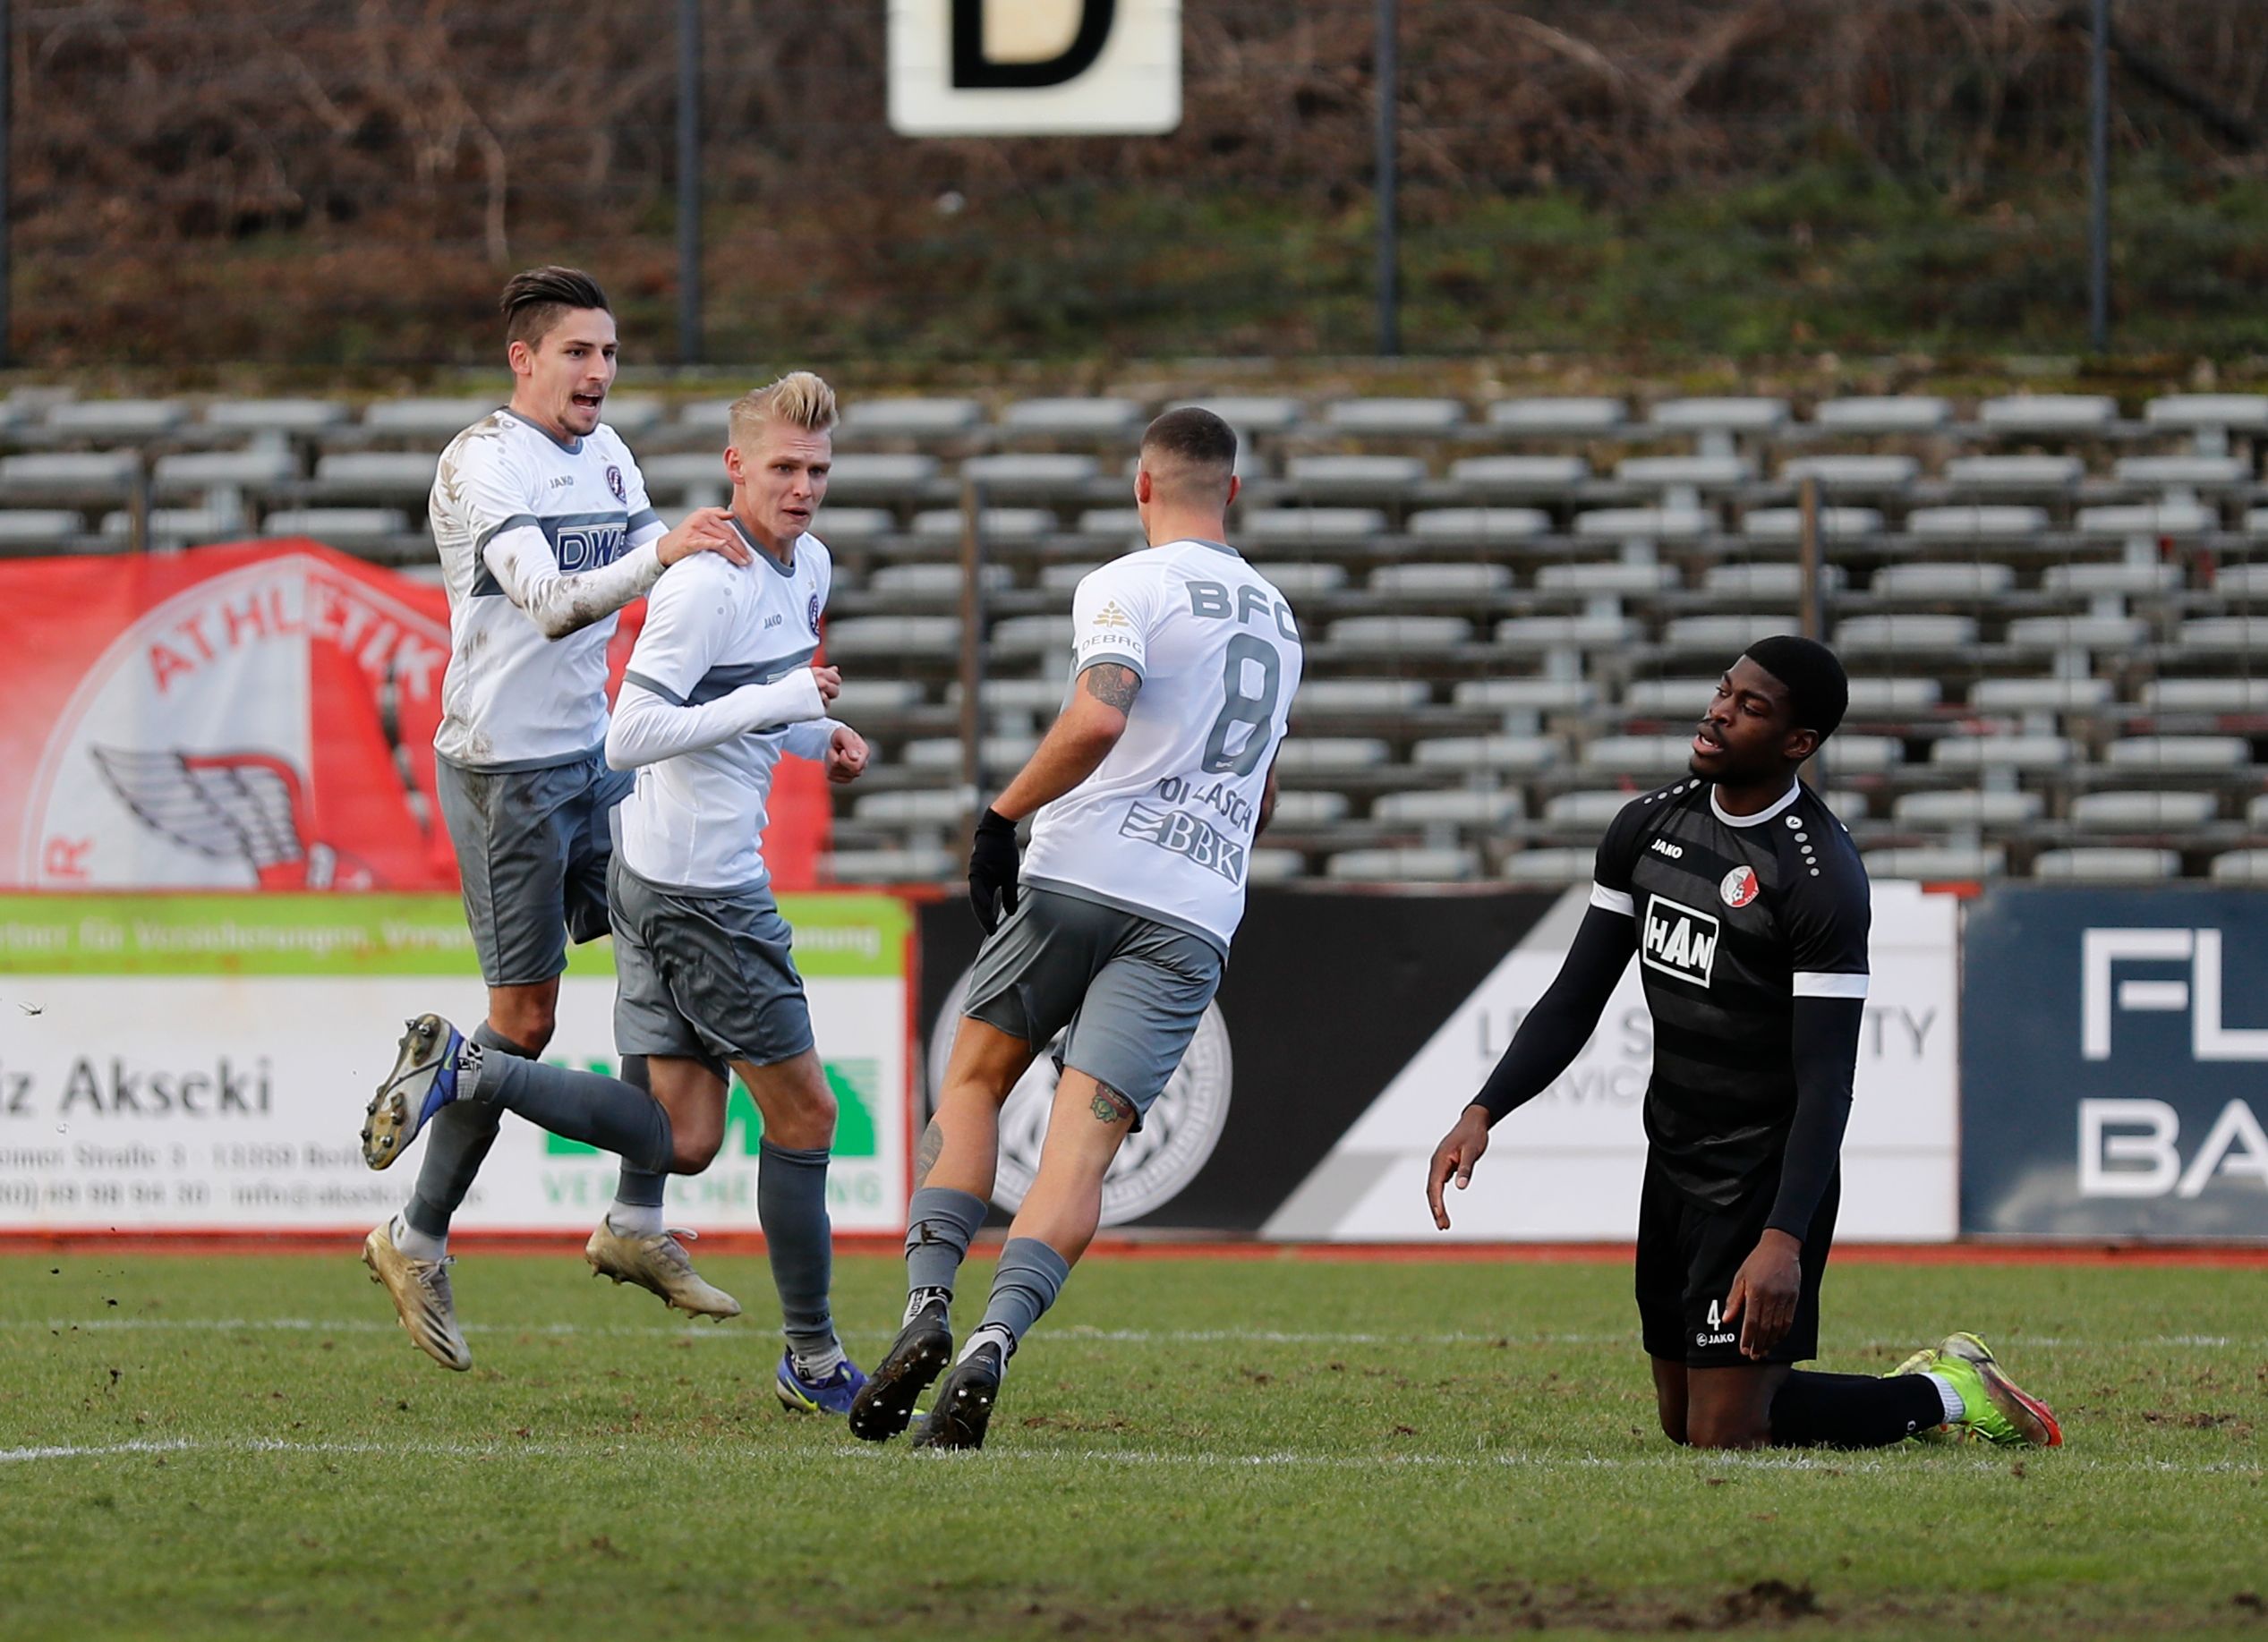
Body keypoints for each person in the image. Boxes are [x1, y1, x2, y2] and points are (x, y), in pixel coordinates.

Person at [1425, 638, 2062, 1451]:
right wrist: (1484, 1110)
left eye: (1751, 706)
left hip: (1760, 1172)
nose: (1720, 710)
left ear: (1800, 743)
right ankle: (1913, 1387)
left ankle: (1944, 1391)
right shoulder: (1648, 826)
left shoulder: (1819, 876)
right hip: (1674, 1151)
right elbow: (1576, 995)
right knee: (1681, 1419)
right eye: (1725, 691)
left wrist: (1783, 1237)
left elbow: (1827, 1079)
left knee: (1727, 1434)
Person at [848, 406, 1301, 1451]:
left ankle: (926, 1306)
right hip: (1192, 909)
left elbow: (1100, 712)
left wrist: (999, 815)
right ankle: (993, 1343)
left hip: (1081, 874)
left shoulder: (1124, 584)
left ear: (1141, 485)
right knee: (1081, 1148)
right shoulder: (1279, 621)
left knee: (971, 1082)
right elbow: (1260, 794)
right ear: (1229, 491)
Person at [359, 266, 750, 1371]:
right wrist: (665, 549)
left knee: (665, 943)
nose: (600, 373)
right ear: (522, 359)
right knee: (523, 1022)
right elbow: (548, 600)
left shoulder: (610, 452)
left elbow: (656, 580)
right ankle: (416, 1235)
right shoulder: (480, 462)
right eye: (579, 353)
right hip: (504, 771)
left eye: (611, 354)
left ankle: (633, 1222)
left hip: (590, 759)